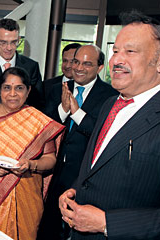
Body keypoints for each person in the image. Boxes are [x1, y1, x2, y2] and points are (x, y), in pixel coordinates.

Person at [59, 11, 160, 240]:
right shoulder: (111, 103)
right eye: (115, 51)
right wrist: (75, 190)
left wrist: (105, 223)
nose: (116, 61)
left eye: (130, 51)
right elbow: (98, 163)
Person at [0, 67, 64, 240]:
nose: (12, 94)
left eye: (19, 88)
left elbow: (50, 159)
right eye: (7, 87)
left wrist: (31, 164)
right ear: (0, 90)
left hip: (26, 194)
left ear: (28, 90)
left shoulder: (38, 121)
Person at [38, 45, 117, 239]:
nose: (79, 68)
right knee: (48, 225)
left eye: (87, 63)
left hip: (84, 174)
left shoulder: (111, 95)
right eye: (76, 62)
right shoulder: (56, 89)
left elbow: (103, 135)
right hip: (53, 171)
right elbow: (44, 128)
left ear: (99, 68)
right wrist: (63, 110)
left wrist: (76, 112)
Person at [40, 43, 81, 109]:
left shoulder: (86, 87)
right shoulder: (46, 86)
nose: (67, 66)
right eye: (65, 61)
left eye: (72, 61)